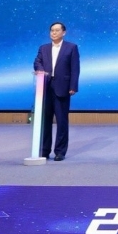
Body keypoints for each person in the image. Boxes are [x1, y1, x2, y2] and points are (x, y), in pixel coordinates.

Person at [33, 21, 80, 161]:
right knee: (45, 121)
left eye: (57, 30)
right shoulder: (43, 48)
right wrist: (41, 71)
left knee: (61, 121)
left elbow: (75, 68)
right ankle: (44, 150)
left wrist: (73, 86)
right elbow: (37, 62)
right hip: (45, 87)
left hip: (62, 87)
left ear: (63, 32)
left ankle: (60, 151)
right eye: (52, 30)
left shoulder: (71, 47)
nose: (53, 32)